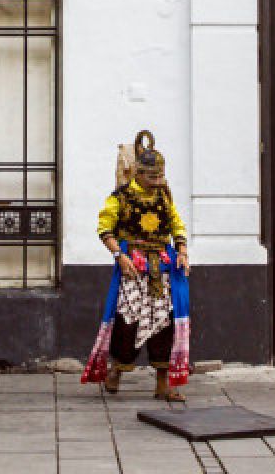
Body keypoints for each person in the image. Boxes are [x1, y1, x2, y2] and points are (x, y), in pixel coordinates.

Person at [82, 130, 191, 401]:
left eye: (159, 177)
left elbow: (176, 224)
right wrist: (120, 254)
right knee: (127, 320)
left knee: (164, 321)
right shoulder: (120, 198)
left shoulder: (164, 196)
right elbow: (104, 229)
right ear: (138, 174)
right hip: (133, 266)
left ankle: (163, 383)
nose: (157, 182)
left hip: (162, 269)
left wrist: (182, 250)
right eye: (151, 177)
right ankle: (116, 372)